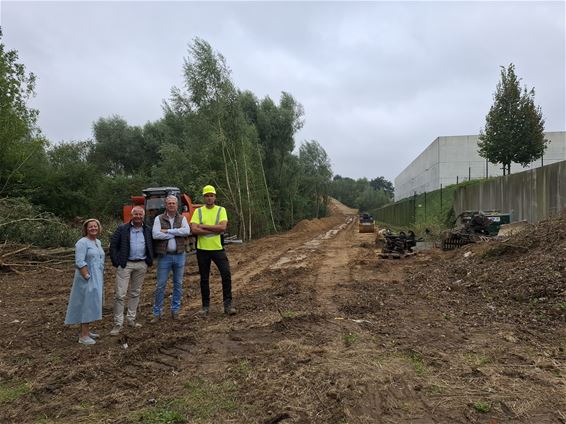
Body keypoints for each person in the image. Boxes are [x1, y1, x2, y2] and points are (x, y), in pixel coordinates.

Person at [189, 185, 236, 316]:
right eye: (207, 195)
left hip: (218, 248)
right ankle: (205, 307)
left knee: (226, 275)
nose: (209, 198)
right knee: (204, 279)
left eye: (211, 195)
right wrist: (213, 228)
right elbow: (194, 229)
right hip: (202, 250)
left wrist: (202, 226)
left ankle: (228, 305)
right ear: (204, 197)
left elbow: (222, 228)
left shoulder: (221, 210)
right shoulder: (198, 212)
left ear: (215, 197)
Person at [109, 206, 154, 335]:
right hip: (126, 265)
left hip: (141, 264)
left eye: (140, 214)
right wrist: (117, 262)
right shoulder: (122, 229)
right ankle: (118, 324)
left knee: (135, 293)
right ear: (132, 215)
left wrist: (149, 260)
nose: (138, 216)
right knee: (120, 295)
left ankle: (131, 319)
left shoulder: (147, 230)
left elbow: (152, 244)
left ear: (143, 216)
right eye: (136, 214)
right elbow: (113, 245)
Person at [64, 218, 105, 345]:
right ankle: (83, 335)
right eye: (90, 227)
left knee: (92, 303)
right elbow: (80, 261)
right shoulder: (82, 242)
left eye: (95, 226)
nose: (93, 228)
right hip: (86, 278)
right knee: (86, 304)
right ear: (86, 229)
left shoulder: (97, 242)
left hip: (97, 277)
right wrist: (87, 276)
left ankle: (86, 329)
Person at [151, 195, 190, 321]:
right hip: (164, 256)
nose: (171, 205)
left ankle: (175, 310)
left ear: (177, 205)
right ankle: (157, 313)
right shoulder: (159, 218)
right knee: (160, 285)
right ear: (165, 205)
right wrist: (176, 232)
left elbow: (186, 232)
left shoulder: (182, 218)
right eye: (169, 203)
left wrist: (167, 231)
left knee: (178, 284)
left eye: (173, 203)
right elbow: (156, 234)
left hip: (179, 256)